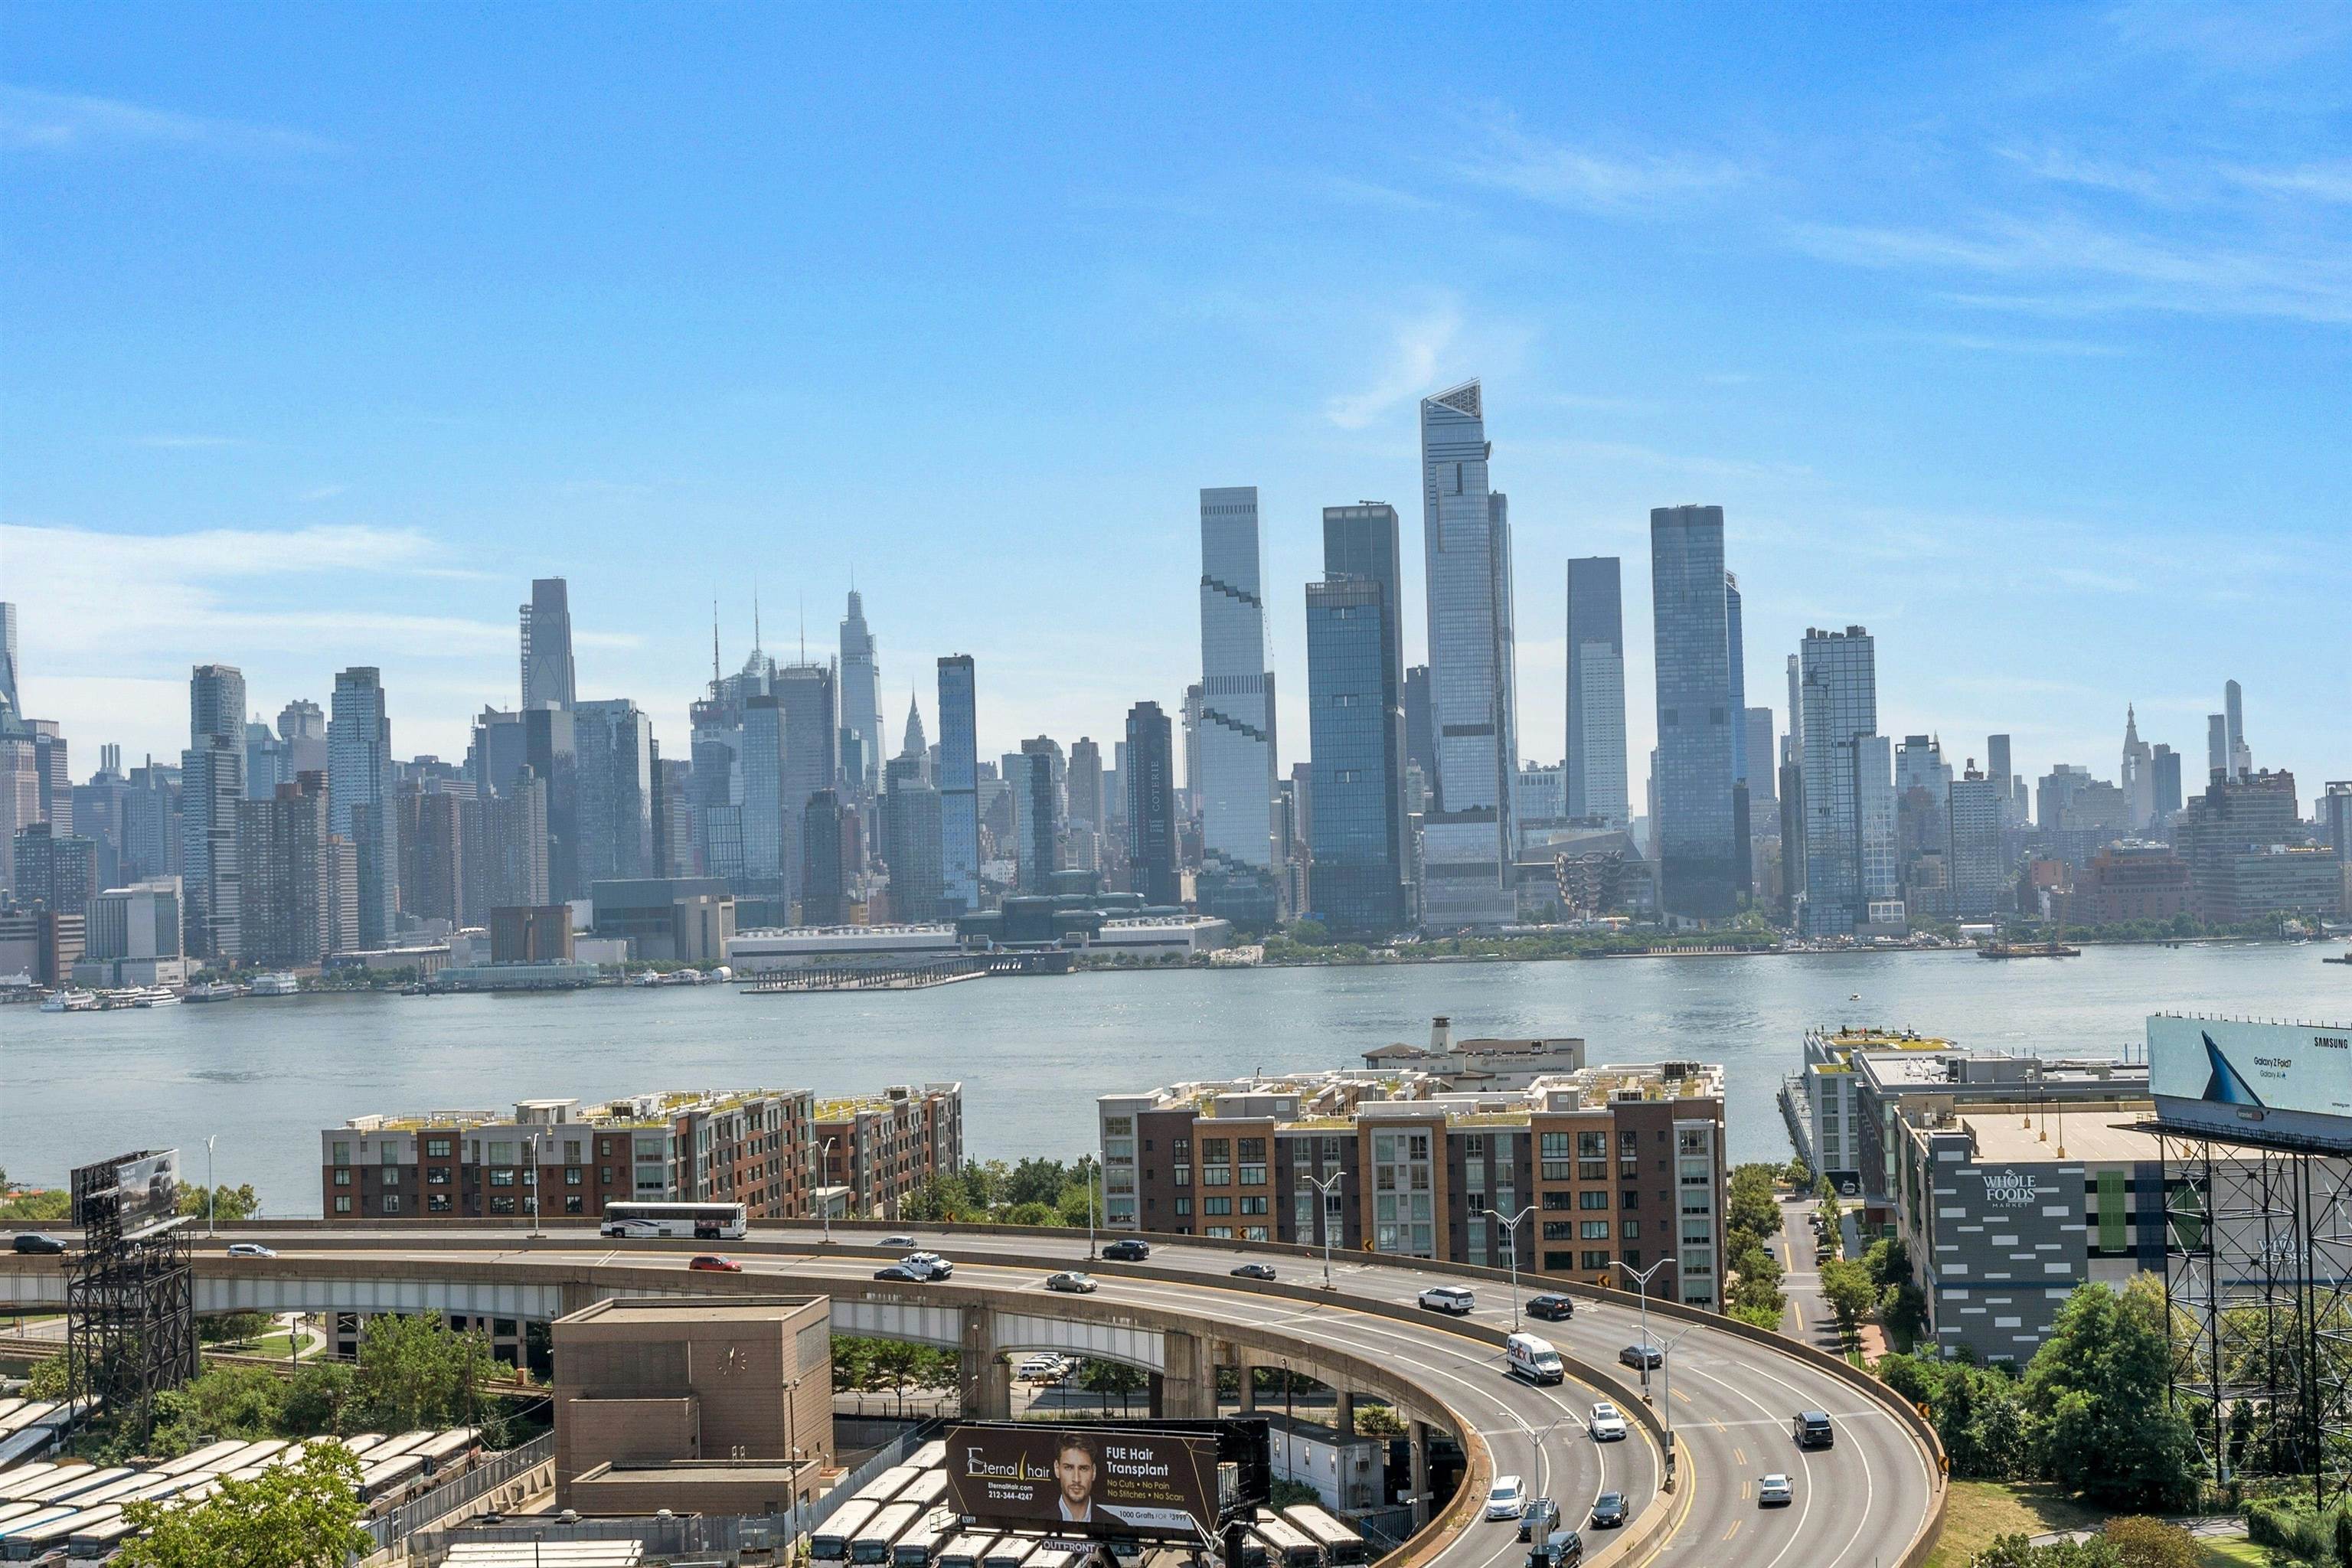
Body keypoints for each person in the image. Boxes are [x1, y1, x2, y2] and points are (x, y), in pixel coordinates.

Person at [1055, 1434, 1102, 1523]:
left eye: (1083, 1469)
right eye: (1068, 1468)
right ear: (1057, 1469)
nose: (1076, 1479)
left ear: (1094, 1471)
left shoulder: (1118, 1526)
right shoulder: (1035, 1525)